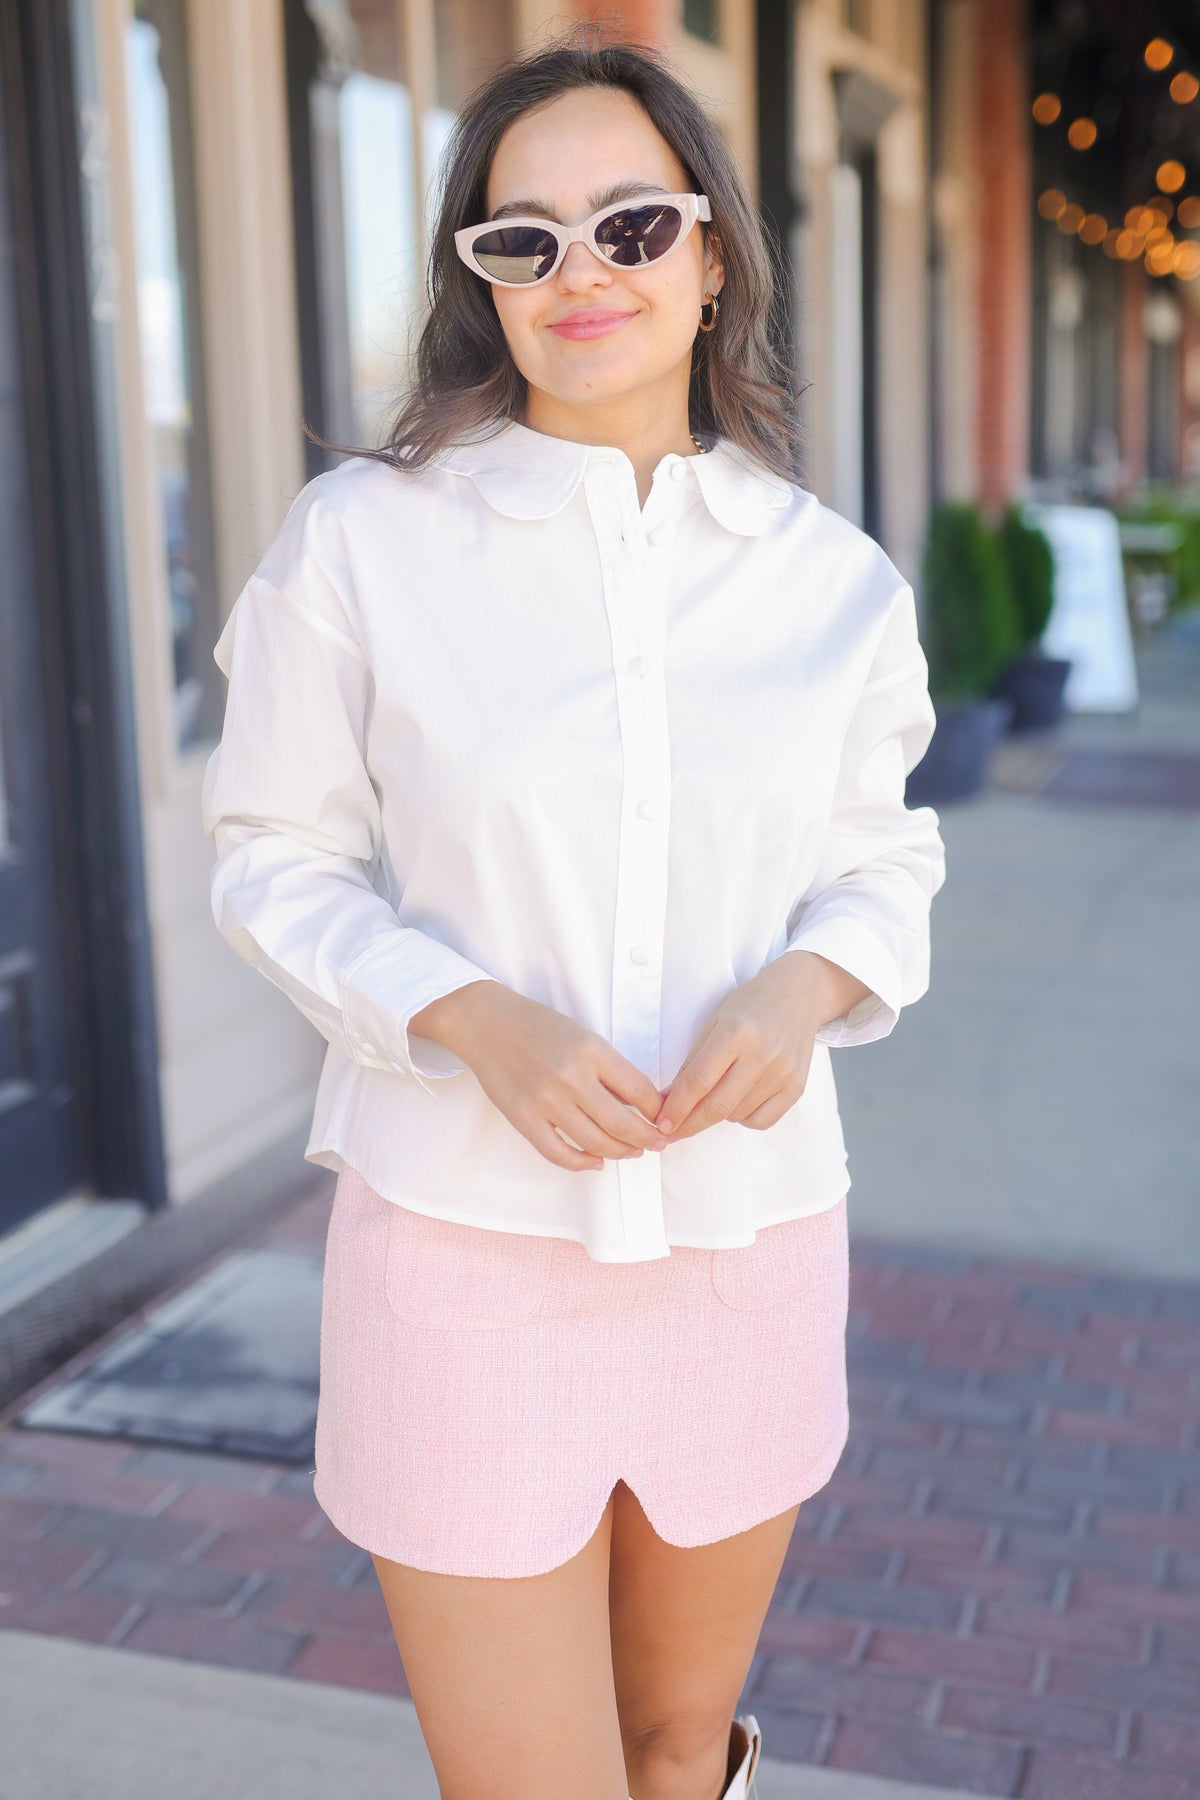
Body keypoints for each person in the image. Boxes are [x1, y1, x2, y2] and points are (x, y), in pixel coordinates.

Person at [201, 26, 947, 1800]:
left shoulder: (832, 584)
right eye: (519, 239)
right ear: (482, 285)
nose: (578, 272)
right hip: (462, 1251)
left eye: (629, 224)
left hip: (745, 1244)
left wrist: (809, 989)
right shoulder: (361, 547)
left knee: (682, 1747)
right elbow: (269, 856)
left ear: (710, 260)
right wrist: (467, 1013)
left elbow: (885, 858)